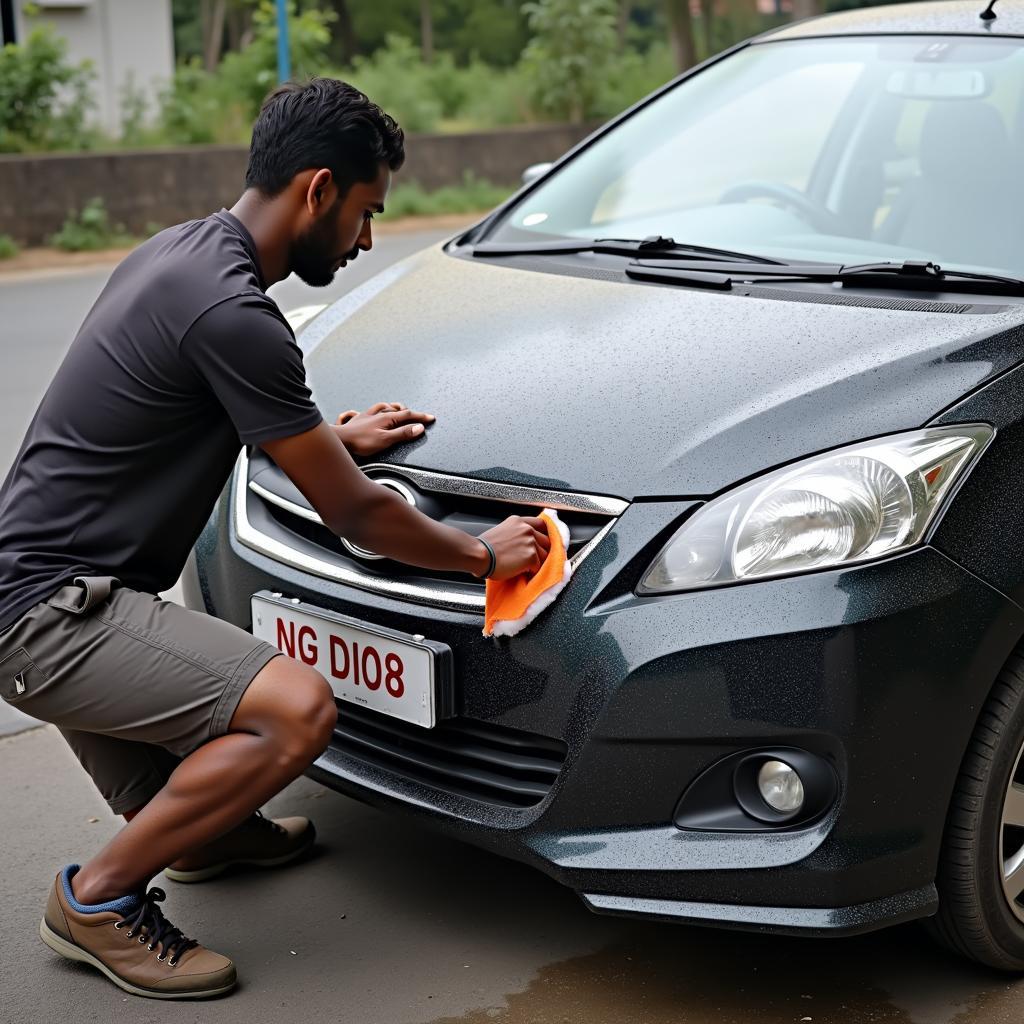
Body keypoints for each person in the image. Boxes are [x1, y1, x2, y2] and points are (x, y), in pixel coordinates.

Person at [0, 78, 550, 1000]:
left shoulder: (180, 254)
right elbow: (362, 516)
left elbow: (227, 414)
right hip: (49, 620)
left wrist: (327, 436)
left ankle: (206, 834)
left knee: (218, 742)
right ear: (319, 189)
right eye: (369, 213)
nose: (370, 239)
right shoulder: (235, 312)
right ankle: (96, 902)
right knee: (296, 710)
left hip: (47, 591)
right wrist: (481, 555)